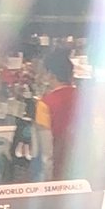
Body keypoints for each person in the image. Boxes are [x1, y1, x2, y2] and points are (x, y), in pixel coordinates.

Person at [35, 47, 77, 180]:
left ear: (50, 74)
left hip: (60, 175)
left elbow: (47, 155)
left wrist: (48, 183)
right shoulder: (87, 100)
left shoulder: (45, 104)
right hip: (85, 173)